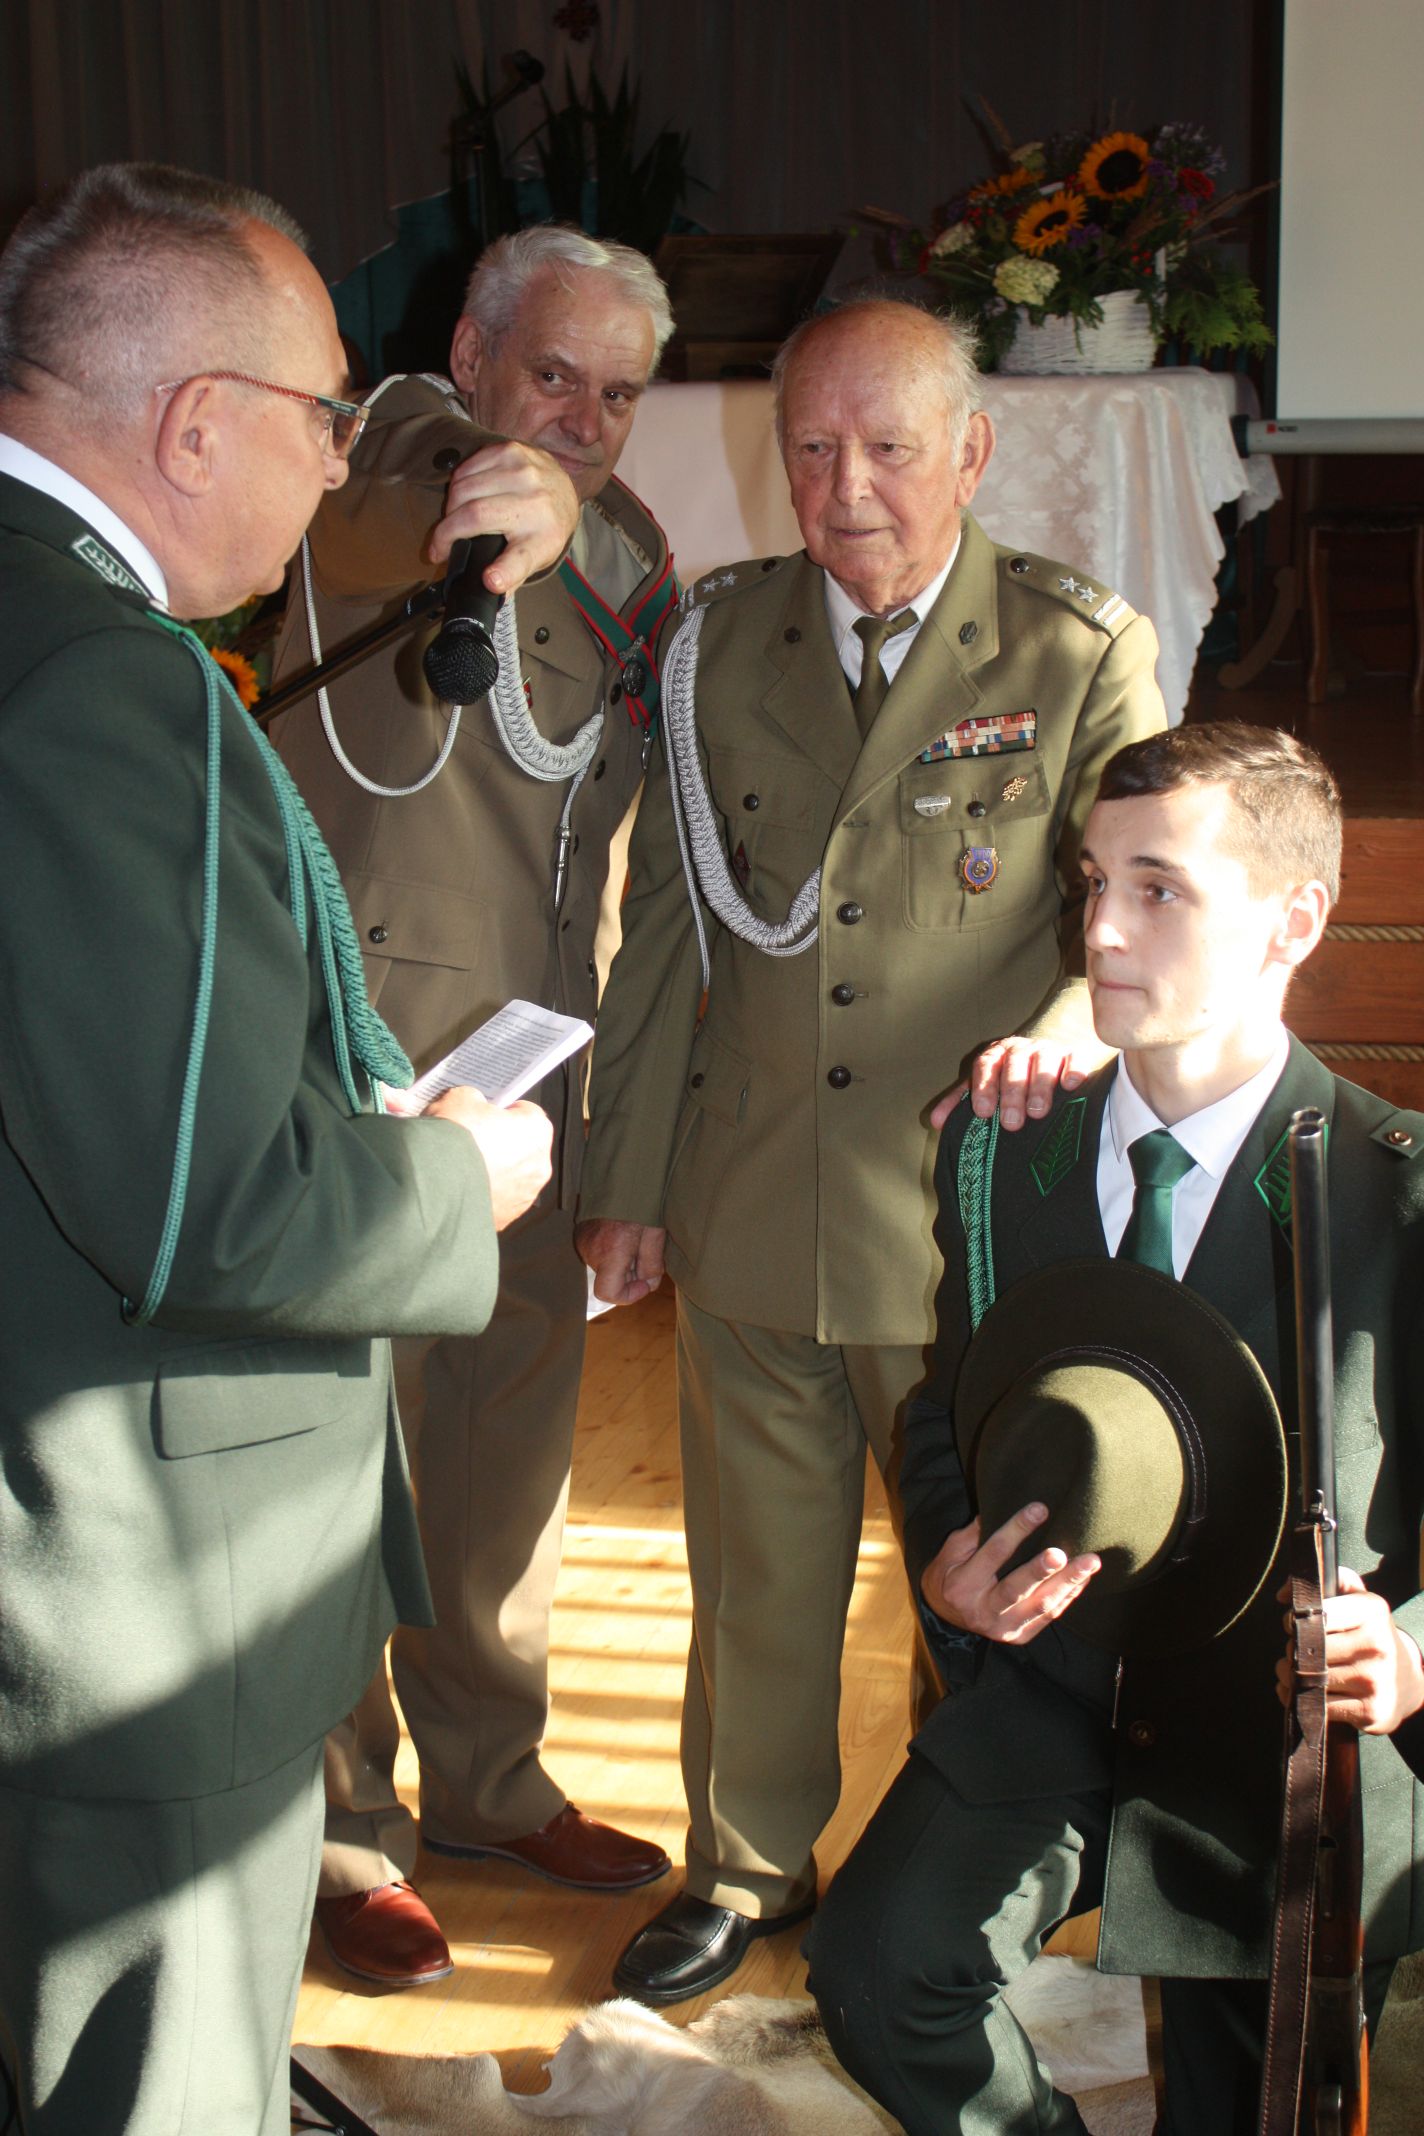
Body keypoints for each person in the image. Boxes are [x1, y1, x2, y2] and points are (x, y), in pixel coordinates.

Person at [0, 163, 563, 2134]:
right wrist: (453, 1179)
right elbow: (200, 1205)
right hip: (128, 1587)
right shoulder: (104, 693)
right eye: (331, 418)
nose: (340, 475)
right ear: (195, 421)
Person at [575, 296, 1167, 2005]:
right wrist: (626, 1183)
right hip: (755, 1192)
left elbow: (1128, 893)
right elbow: (677, 933)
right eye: (813, 449)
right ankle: (745, 1866)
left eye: (889, 449)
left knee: (980, 1567)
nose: (845, 491)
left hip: (973, 1209)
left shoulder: (1072, 650)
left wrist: (1075, 1011)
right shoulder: (719, 641)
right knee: (757, 1570)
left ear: (971, 454)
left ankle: (972, 1859)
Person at [805, 723, 1424, 2135]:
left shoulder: (1395, 1199)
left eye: (1158, 889)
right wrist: (957, 1555)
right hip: (1062, 1690)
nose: (1100, 929)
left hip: (1279, 1742)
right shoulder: (1005, 1150)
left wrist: (1410, 1650)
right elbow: (951, 1406)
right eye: (1091, 882)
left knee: (1259, 2102)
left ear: (1295, 920)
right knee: (879, 1965)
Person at [269, 224, 679, 1988]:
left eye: (618, 393)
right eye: (552, 374)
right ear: (470, 348)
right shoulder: (375, 464)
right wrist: (505, 480)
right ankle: (338, 1836)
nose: (579, 420)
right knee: (345, 1460)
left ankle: (491, 1784)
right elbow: (443, 510)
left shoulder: (631, 545)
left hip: (533, 1057)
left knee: (504, 1449)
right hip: (359, 1051)